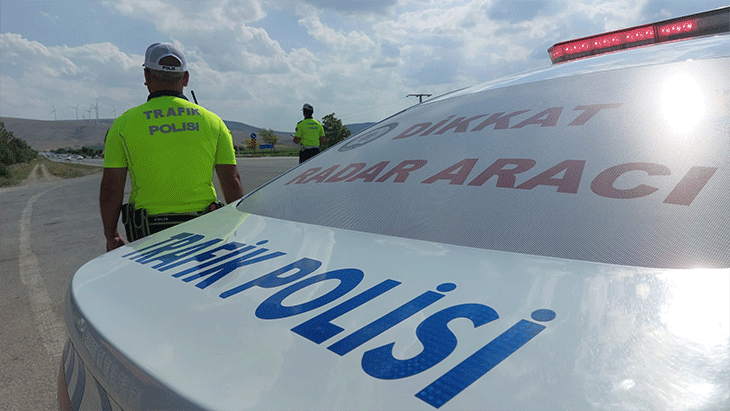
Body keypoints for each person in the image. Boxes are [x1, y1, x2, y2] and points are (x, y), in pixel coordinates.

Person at [100, 42, 244, 252]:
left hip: (147, 234)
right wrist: (239, 227)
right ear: (185, 78)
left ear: (147, 76)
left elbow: (111, 188)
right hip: (205, 229)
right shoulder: (213, 122)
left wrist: (111, 235)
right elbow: (232, 181)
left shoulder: (122, 125)